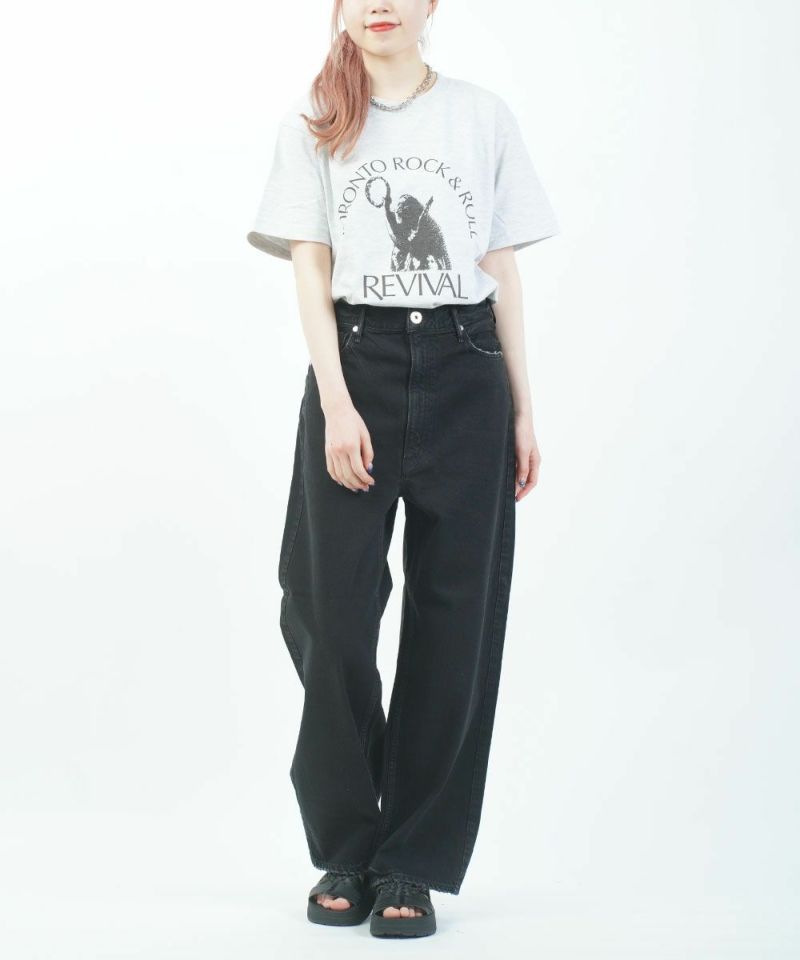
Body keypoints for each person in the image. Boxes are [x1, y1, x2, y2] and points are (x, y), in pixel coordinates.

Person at [245, 0, 559, 939]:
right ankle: (349, 841)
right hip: (358, 365)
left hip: (468, 368)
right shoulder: (316, 118)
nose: (379, 4)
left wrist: (524, 406)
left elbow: (500, 267)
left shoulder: (481, 116)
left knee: (454, 619)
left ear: (431, 5)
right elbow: (311, 269)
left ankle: (411, 862)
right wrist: (338, 403)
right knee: (326, 608)